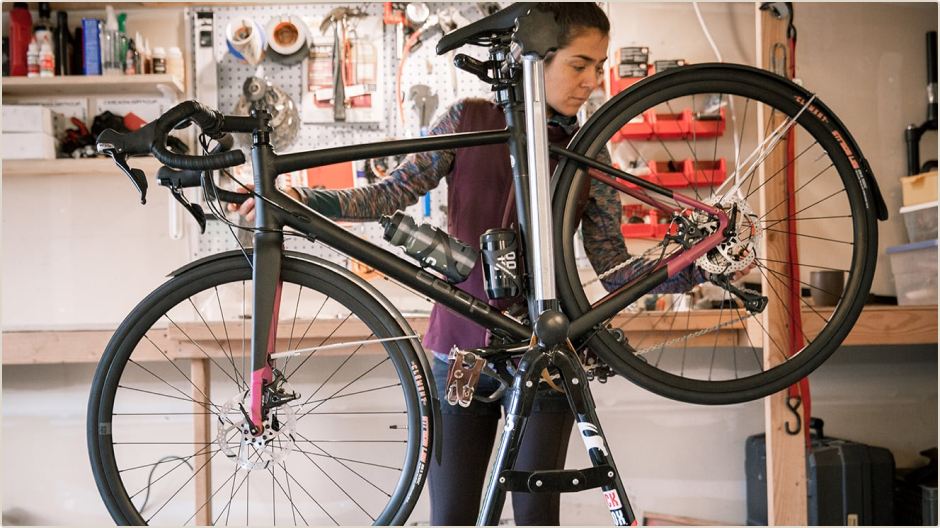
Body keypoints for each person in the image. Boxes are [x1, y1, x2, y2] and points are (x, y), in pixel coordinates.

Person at [231, 3, 744, 524]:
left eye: (599, 65)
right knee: (451, 516)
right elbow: (392, 193)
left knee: (535, 520)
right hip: (460, 357)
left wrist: (703, 264)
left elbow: (613, 269)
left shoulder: (589, 152)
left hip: (545, 361)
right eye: (579, 64)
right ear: (534, 59)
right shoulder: (467, 119)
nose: (592, 80)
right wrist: (299, 198)